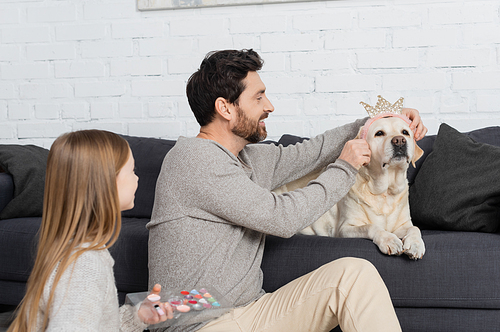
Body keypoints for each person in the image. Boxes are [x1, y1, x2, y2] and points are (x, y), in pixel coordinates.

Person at [147, 49, 427, 332]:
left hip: (248, 312)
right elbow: (281, 217)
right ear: (226, 108)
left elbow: (313, 152)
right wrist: (345, 167)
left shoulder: (249, 159)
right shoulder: (194, 159)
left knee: (355, 275)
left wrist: (381, 121)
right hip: (200, 326)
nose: (269, 106)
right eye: (258, 97)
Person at [8, 130, 173, 332]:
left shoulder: (76, 250)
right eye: (132, 170)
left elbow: (96, 324)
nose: (137, 178)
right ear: (106, 183)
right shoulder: (84, 265)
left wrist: (137, 316)